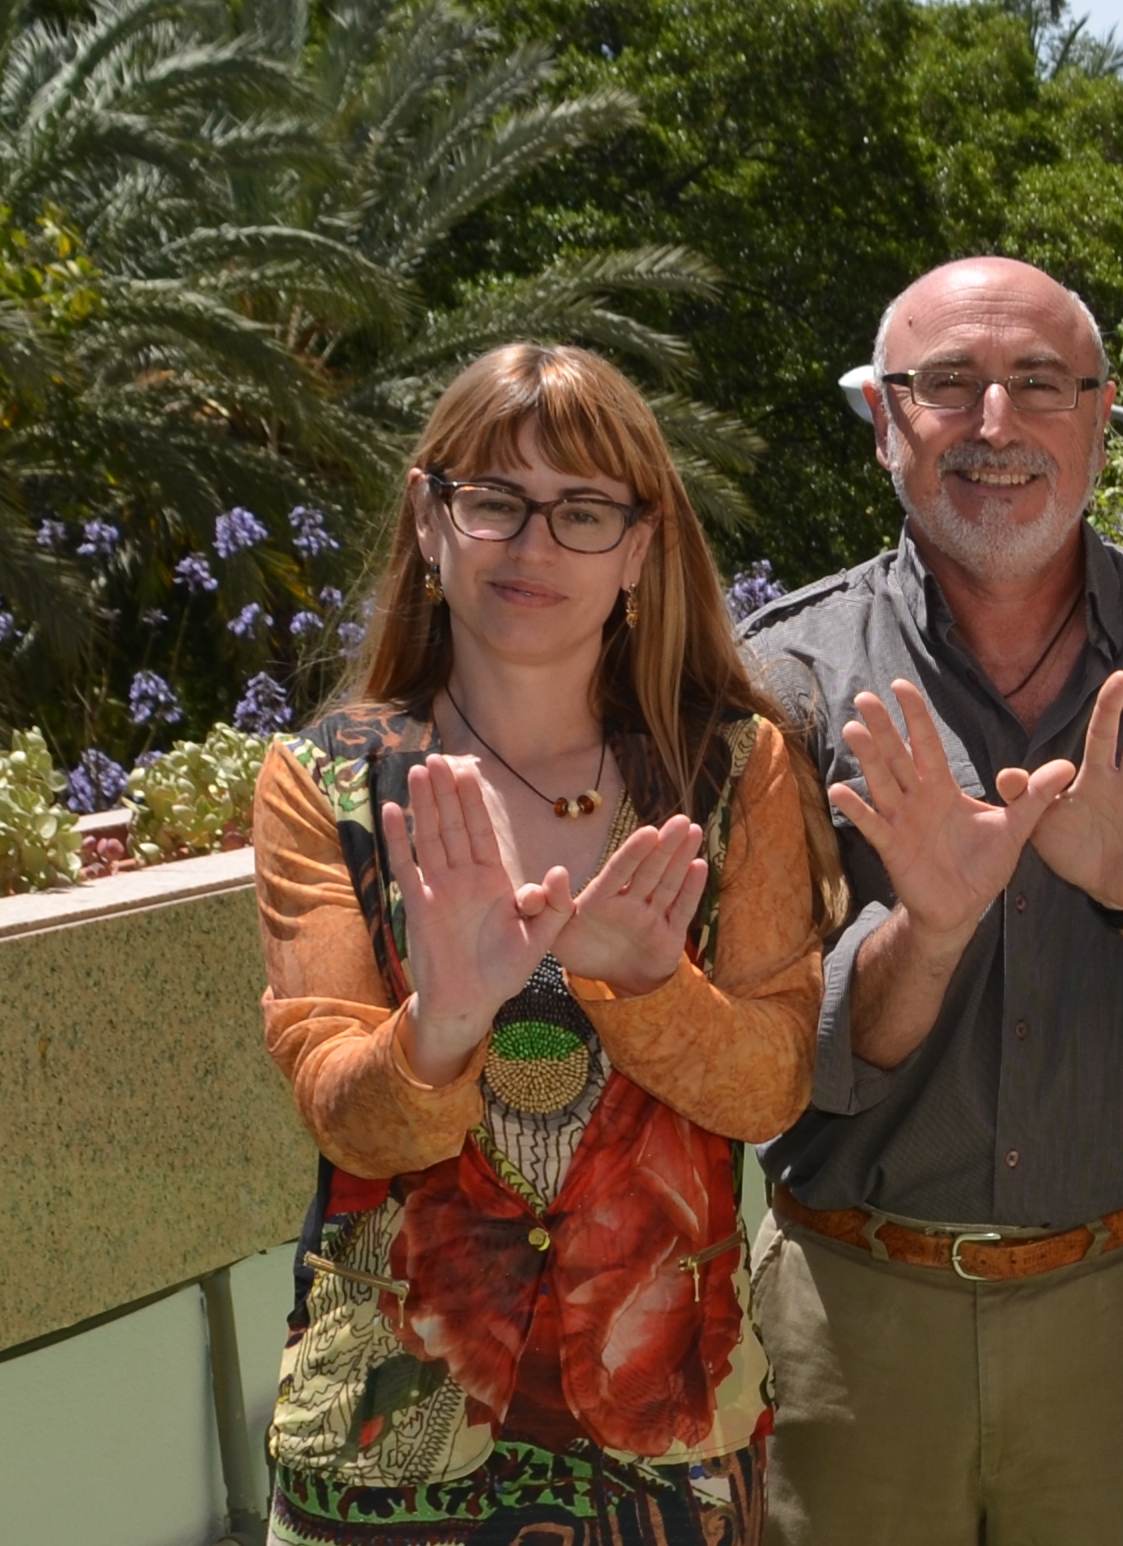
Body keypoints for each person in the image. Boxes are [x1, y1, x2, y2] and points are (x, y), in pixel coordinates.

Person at [252, 343, 838, 1544]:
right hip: (385, 1429)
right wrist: (442, 1022)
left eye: (581, 512)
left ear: (638, 546)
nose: (532, 548)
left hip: (664, 1424)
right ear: (428, 519)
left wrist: (645, 986)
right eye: (494, 503)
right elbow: (343, 1115)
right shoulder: (323, 781)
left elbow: (773, 1081)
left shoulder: (734, 771)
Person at [738, 256, 1123, 1546]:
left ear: (1098, 415)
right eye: (946, 387)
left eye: (1038, 384)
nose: (994, 425)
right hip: (855, 1325)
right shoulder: (784, 676)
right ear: (884, 423)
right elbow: (755, 1051)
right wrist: (923, 934)